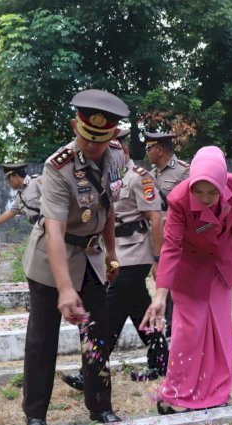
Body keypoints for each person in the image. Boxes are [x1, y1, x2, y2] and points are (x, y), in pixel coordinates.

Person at [20, 89, 128, 425]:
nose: (92, 147)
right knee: (43, 337)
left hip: (91, 256)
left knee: (96, 334)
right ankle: (35, 414)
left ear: (112, 135)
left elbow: (107, 207)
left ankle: (100, 407)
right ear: (74, 126)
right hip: (51, 260)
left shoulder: (116, 156)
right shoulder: (58, 167)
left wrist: (112, 255)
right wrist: (65, 290)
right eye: (86, 138)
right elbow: (53, 230)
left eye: (101, 139)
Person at [61, 129, 168, 392]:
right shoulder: (109, 179)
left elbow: (155, 218)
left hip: (136, 253)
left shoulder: (139, 178)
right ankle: (163, 360)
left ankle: (90, 372)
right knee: (137, 306)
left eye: (111, 149)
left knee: (109, 313)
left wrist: (158, 259)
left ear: (124, 151)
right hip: (117, 253)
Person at [141, 145, 232, 414]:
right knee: (189, 332)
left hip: (220, 266)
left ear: (223, 182)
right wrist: (161, 295)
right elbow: (171, 246)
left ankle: (216, 390)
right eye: (199, 190)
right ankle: (177, 392)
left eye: (212, 191)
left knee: (219, 331)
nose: (206, 197)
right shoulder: (179, 199)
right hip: (188, 267)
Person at [144, 131, 189, 338]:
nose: (147, 153)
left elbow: (188, 207)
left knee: (177, 284)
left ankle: (175, 327)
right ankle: (168, 325)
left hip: (178, 238)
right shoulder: (150, 174)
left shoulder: (183, 172)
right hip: (156, 237)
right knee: (161, 281)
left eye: (149, 149)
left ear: (159, 149)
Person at [0, 163, 42, 231]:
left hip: (48, 223)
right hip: (37, 228)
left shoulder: (36, 181)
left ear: (15, 176)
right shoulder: (20, 195)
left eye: (9, 179)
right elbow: (11, 212)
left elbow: (53, 200)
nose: (9, 183)